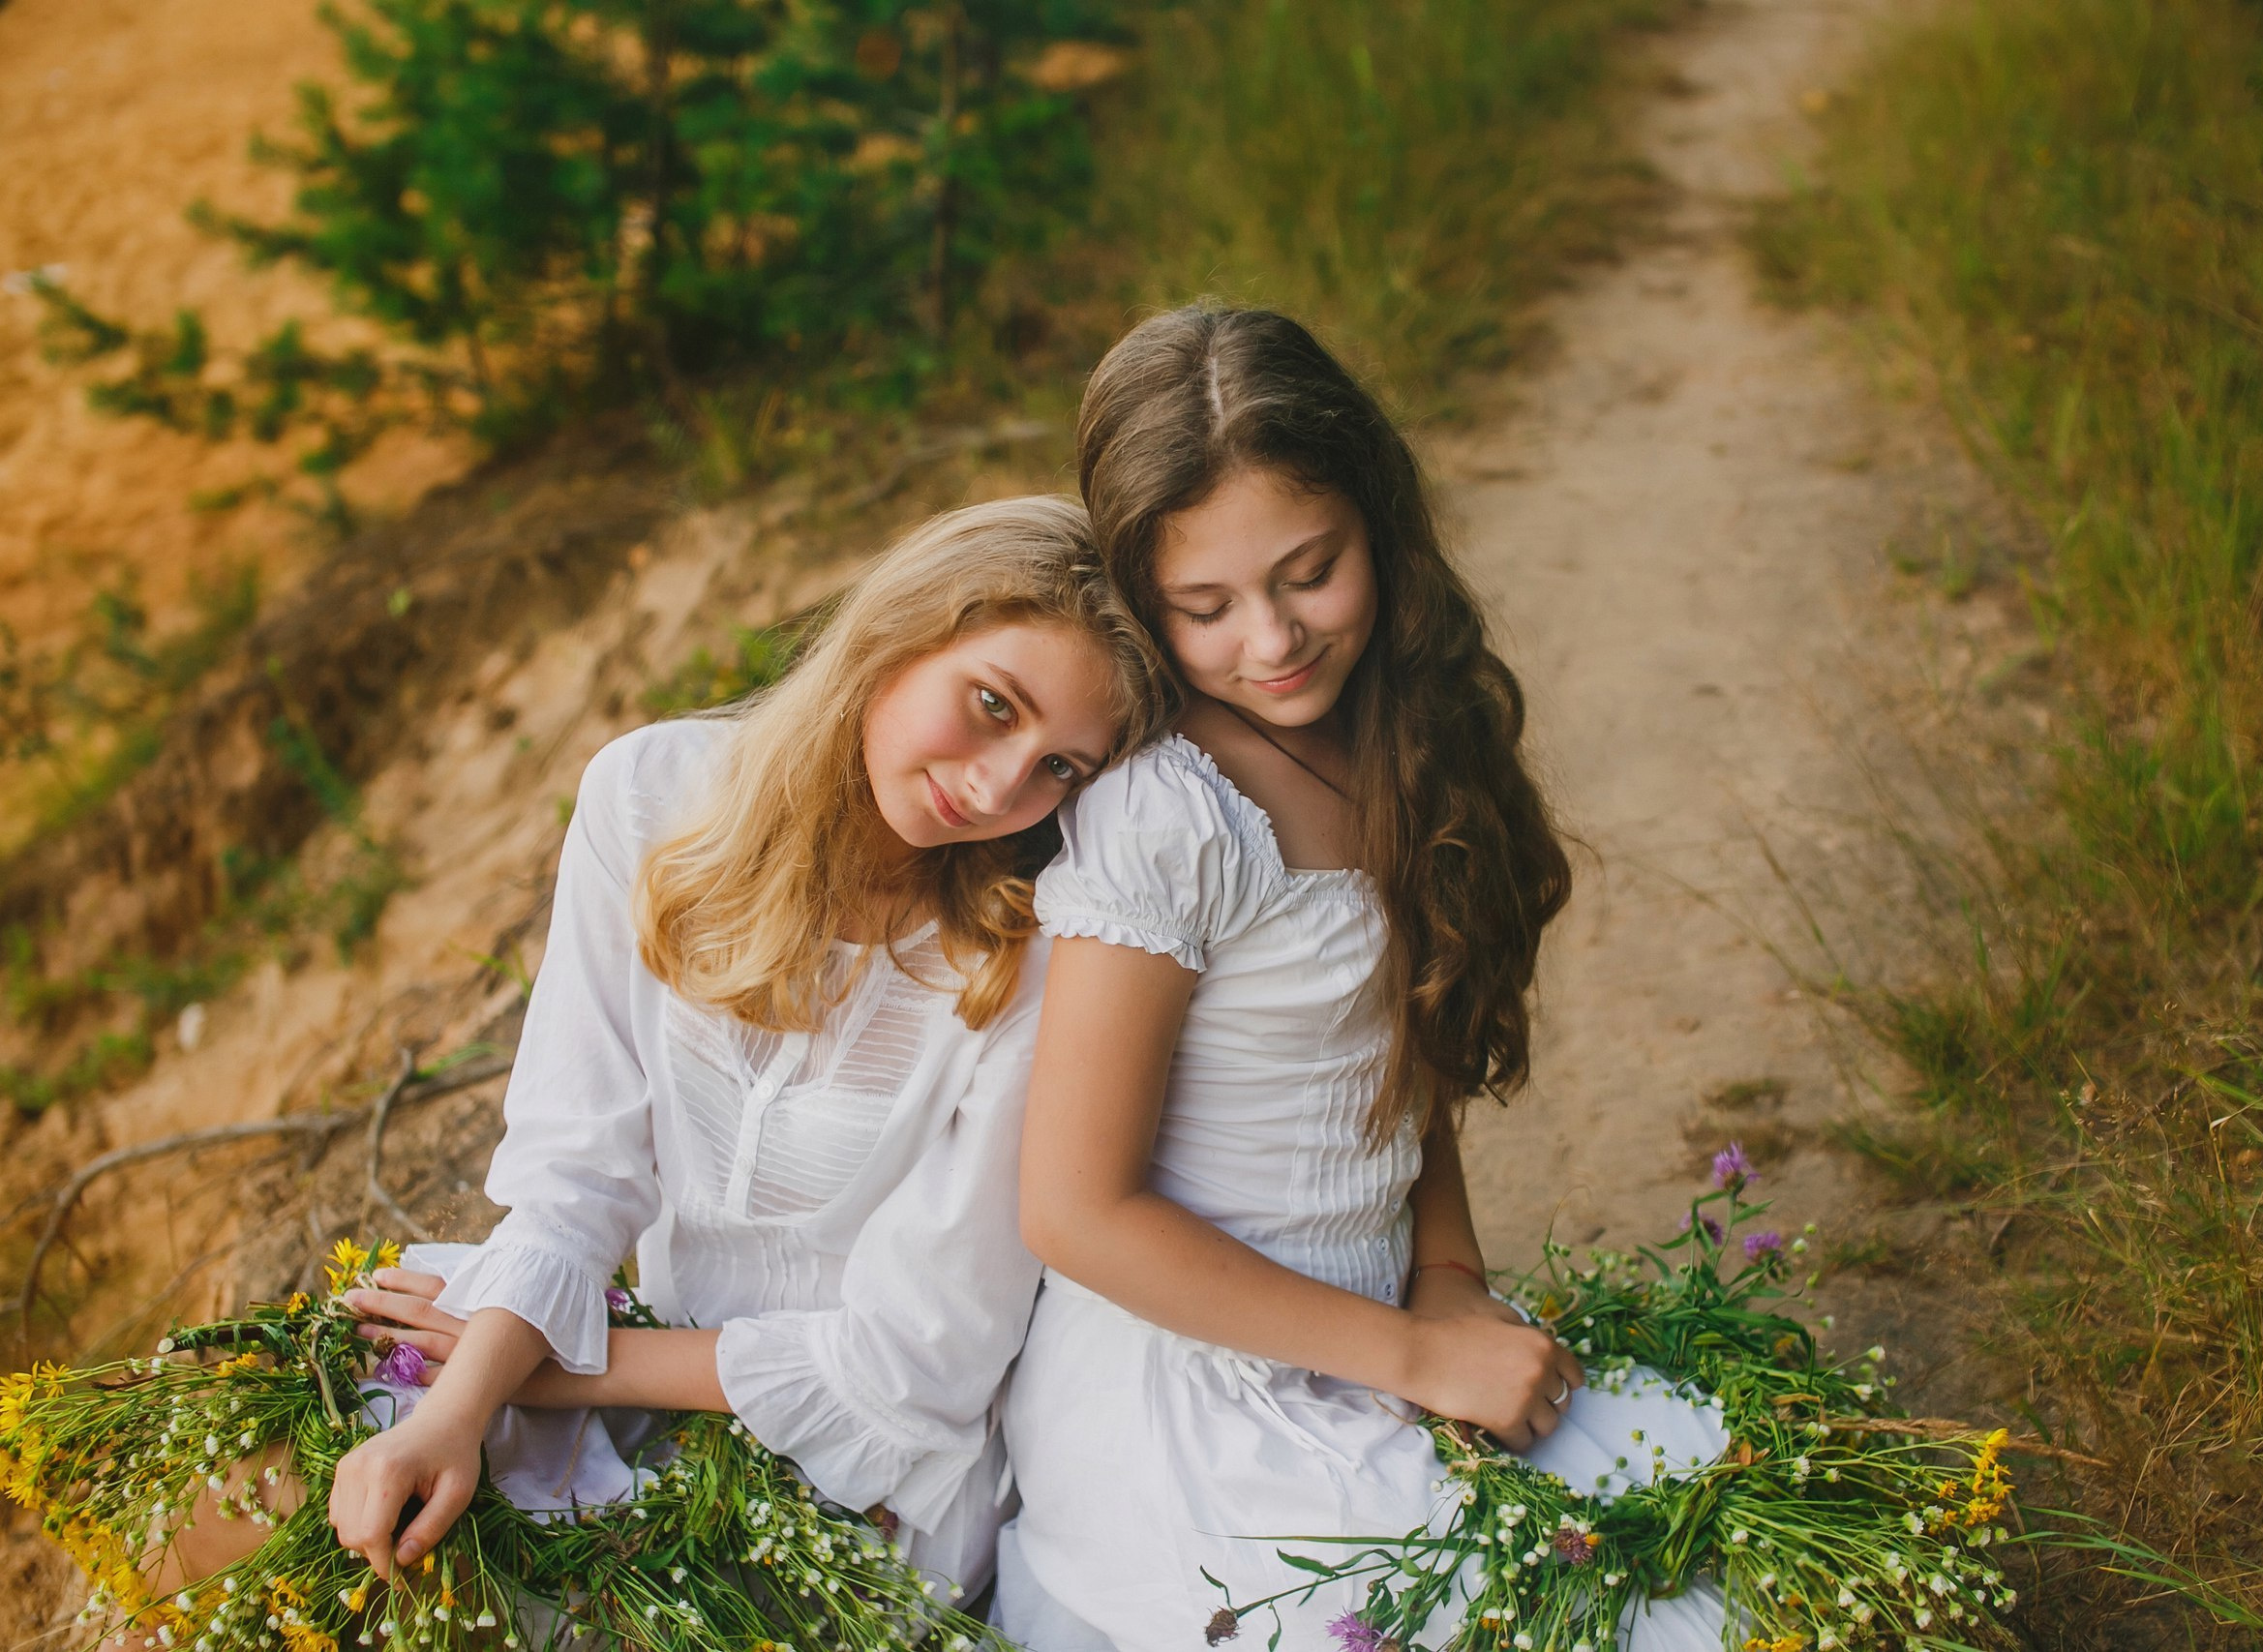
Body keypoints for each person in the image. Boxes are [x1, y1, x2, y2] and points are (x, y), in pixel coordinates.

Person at [129, 494, 1170, 1622]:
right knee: (220, 1510)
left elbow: (915, 1362)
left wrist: (554, 1372)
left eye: (1060, 767)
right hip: (624, 1360)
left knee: (452, 1591)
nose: (999, 787)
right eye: (990, 705)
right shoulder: (655, 797)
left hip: (851, 1475)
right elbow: (578, 1172)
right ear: (902, 631)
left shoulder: (1032, 958)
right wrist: (455, 1414)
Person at [996, 308, 1728, 1651]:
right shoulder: (1172, 816)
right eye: (1204, 608)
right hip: (1200, 1388)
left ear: (1378, 526)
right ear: (1143, 602)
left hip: (1386, 1321)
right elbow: (1074, 1209)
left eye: (1310, 573)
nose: (1271, 639)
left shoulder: (1400, 736)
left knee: (1702, 1530)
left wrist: (1445, 1273)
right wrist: (1414, 1354)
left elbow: (1400, 1065)